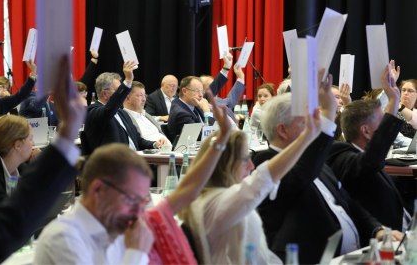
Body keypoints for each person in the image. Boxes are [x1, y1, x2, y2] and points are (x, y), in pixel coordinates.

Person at [34, 91, 233, 264]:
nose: (140, 210)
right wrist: (135, 253)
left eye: (143, 199)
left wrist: (220, 144)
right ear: (98, 190)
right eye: (133, 199)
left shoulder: (118, 221)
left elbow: (186, 191)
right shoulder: (64, 239)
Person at [252, 72, 400, 263]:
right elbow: (301, 178)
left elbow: (348, 203)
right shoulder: (266, 162)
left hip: (352, 255)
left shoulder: (314, 160)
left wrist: (377, 229)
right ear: (282, 130)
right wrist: (329, 112)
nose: (312, 126)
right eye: (304, 122)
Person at [0, 55, 86, 264]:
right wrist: (66, 134)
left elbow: (36, 198)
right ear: (17, 144)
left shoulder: (19, 166)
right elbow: (12, 216)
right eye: (31, 139)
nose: (34, 145)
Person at [179, 98, 323, 264]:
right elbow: (263, 179)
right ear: (226, 165)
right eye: (245, 159)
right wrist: (306, 137)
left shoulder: (218, 198)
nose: (251, 165)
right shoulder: (216, 203)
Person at [327, 60, 411, 232]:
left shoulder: (361, 155)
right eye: (382, 121)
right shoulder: (343, 157)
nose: (385, 124)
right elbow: (371, 160)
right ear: (365, 131)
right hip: (382, 240)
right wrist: (394, 101)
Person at [81, 61, 161, 154]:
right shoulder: (93, 111)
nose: (123, 93)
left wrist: (154, 144)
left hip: (134, 159)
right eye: (118, 89)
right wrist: (127, 81)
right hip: (112, 163)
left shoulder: (122, 113)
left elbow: (137, 140)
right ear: (104, 94)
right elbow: (109, 109)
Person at [123, 81, 170, 145]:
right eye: (140, 96)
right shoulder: (124, 118)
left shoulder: (146, 115)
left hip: (170, 151)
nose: (144, 99)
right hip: (150, 152)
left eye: (144, 95)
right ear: (127, 98)